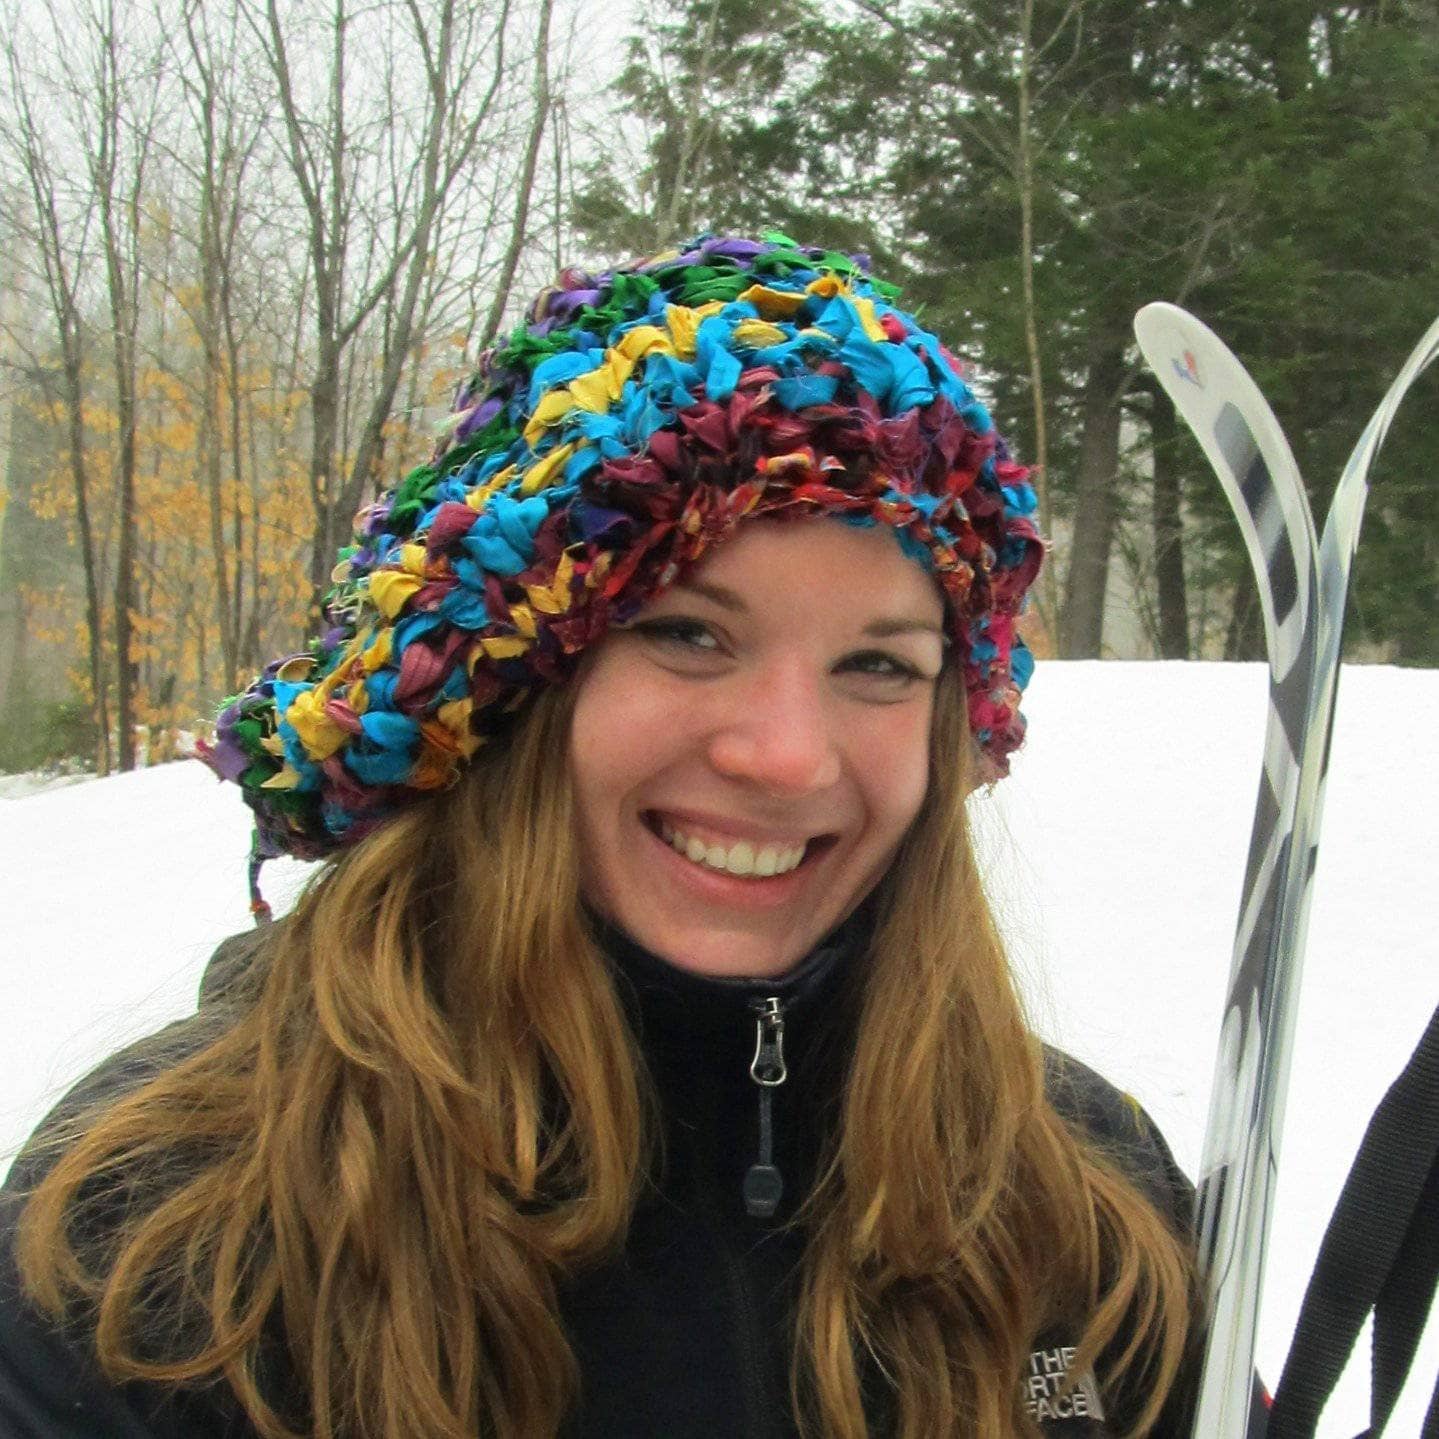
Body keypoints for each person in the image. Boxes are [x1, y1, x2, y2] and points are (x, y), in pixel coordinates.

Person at [1, 234, 1206, 1438]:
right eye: (689, 633)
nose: (787, 755)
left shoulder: (1070, 1203)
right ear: (506, 690)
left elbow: (1096, 1396)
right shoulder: (166, 1231)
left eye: (879, 664)